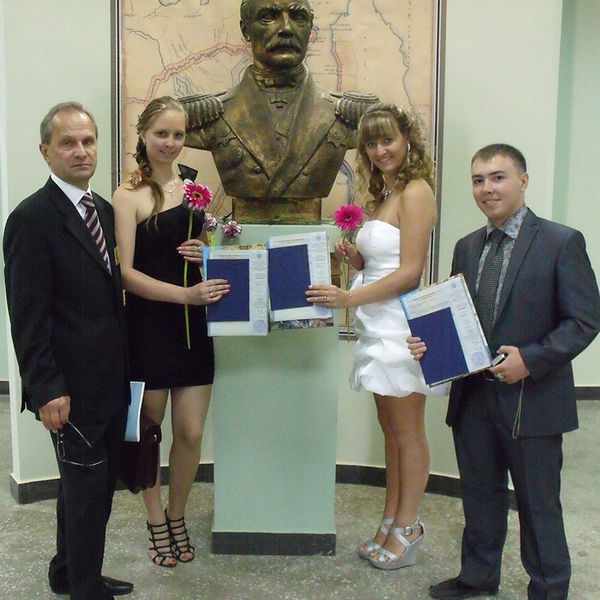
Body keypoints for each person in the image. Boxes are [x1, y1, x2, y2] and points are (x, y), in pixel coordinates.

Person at [409, 144, 600, 599]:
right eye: (478, 180)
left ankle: (549, 588)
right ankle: (477, 577)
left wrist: (530, 360)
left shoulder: (560, 242)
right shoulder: (467, 247)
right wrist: (431, 344)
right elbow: (461, 319)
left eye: (498, 177)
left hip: (533, 400)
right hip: (474, 398)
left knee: (538, 504)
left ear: (523, 181)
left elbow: (584, 321)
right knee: (479, 495)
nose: (487, 189)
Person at [3, 102, 133, 599]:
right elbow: (27, 316)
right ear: (46, 151)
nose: (81, 151)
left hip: (108, 381)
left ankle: (68, 572)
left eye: (88, 141)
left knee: (91, 487)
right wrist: (46, 388)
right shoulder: (31, 219)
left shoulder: (102, 210)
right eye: (68, 143)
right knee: (86, 490)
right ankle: (84, 588)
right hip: (68, 389)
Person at [306, 103, 444, 570]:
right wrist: (358, 261)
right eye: (371, 143)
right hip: (377, 321)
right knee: (391, 431)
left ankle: (409, 527)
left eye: (388, 139)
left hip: (400, 326)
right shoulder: (388, 192)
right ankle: (390, 519)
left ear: (407, 139)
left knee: (408, 432)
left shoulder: (417, 191)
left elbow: (410, 273)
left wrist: (349, 297)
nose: (380, 150)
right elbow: (386, 263)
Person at [112, 96, 229, 568]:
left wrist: (206, 249)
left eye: (178, 135)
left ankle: (178, 514)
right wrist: (184, 296)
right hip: (148, 328)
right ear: (142, 134)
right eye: (161, 133)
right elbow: (125, 274)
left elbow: (206, 247)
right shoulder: (127, 195)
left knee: (191, 432)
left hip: (194, 327)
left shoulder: (195, 189)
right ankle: (155, 518)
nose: (170, 143)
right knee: (148, 431)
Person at [179, 0, 378, 224]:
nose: (286, 28)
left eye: (298, 17)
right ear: (245, 29)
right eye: (268, 17)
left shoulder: (345, 116)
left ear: (310, 27)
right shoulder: (210, 115)